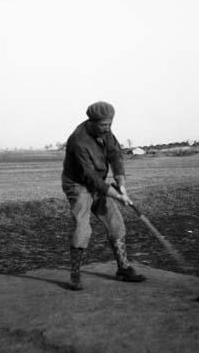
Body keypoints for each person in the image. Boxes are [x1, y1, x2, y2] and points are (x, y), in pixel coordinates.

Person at [61, 101, 146, 290]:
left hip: (98, 182)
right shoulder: (78, 141)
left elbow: (115, 155)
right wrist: (117, 195)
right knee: (82, 228)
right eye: (103, 124)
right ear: (91, 121)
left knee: (115, 221)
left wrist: (121, 184)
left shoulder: (106, 133)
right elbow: (89, 177)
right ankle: (75, 276)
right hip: (78, 184)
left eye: (109, 124)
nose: (107, 128)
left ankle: (123, 268)